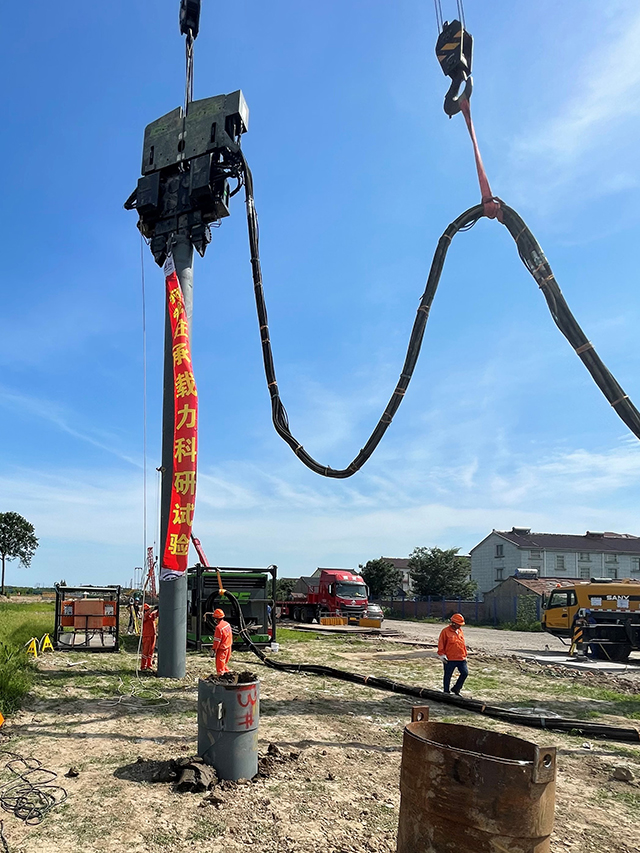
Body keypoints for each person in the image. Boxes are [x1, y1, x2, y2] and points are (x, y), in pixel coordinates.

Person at [437, 613, 468, 695]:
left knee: (465, 673)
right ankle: (446, 692)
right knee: (448, 675)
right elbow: (441, 643)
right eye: (459, 624)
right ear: (453, 623)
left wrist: (465, 654)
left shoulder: (460, 631)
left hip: (461, 657)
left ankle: (456, 689)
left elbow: (462, 644)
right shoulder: (445, 632)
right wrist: (442, 655)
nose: (460, 626)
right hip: (450, 658)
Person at [210, 608, 233, 675]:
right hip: (228, 647)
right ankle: (227, 674)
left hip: (222, 649)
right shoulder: (227, 624)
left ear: (216, 619)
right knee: (224, 664)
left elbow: (217, 641)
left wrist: (214, 649)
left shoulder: (218, 628)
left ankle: (221, 679)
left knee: (220, 666)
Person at [141, 603, 159, 672]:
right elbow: (146, 616)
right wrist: (152, 610)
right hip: (146, 635)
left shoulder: (151, 615)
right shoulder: (144, 616)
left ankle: (149, 665)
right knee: (145, 652)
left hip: (152, 635)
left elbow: (156, 614)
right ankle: (143, 666)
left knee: (151, 651)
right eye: (147, 610)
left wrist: (157, 609)